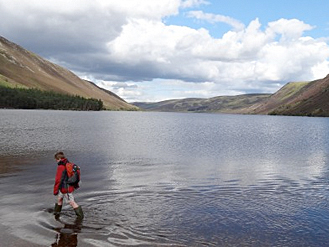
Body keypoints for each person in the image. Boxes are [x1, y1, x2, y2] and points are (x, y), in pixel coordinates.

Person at [53, 151, 84, 219]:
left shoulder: (61, 167)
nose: (56, 161)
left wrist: (55, 191)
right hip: (64, 187)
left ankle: (81, 217)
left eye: (56, 160)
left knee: (72, 202)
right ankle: (56, 213)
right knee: (59, 199)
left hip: (65, 188)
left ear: (59, 159)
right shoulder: (68, 163)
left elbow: (58, 180)